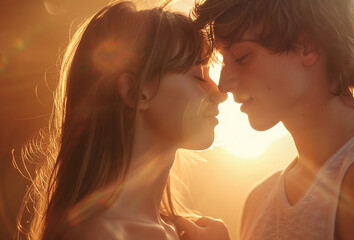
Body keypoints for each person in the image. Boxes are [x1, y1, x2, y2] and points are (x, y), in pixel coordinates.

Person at [191, 0, 354, 239]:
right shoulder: (258, 201)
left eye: (242, 57)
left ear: (307, 47)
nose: (224, 83)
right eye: (223, 61)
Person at [16, 1, 231, 240]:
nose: (220, 93)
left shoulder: (182, 232)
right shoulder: (96, 235)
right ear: (134, 92)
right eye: (199, 76)